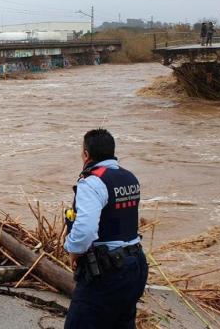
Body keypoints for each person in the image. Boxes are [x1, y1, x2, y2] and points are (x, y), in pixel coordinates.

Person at [63, 129, 148, 329]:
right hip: (136, 267)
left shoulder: (92, 182)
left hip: (107, 271)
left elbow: (85, 230)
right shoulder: (129, 177)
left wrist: (73, 250)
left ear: (86, 154)